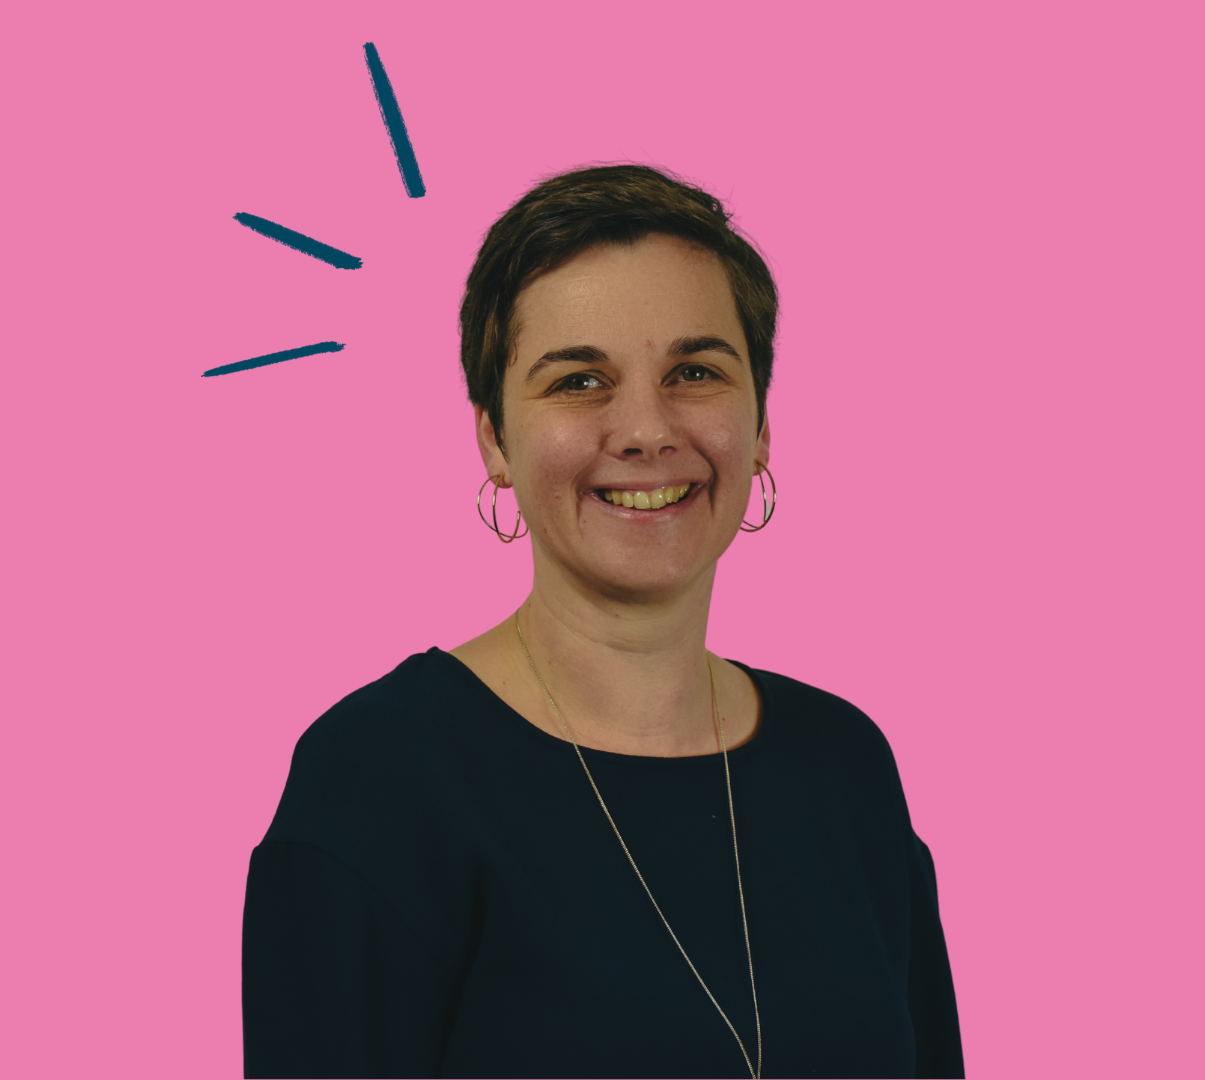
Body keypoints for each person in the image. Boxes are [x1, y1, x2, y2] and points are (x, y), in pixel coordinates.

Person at [241, 164, 964, 1078]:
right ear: (495, 439)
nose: (645, 430)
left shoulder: (845, 766)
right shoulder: (378, 782)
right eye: (580, 380)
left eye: (695, 372)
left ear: (760, 423)